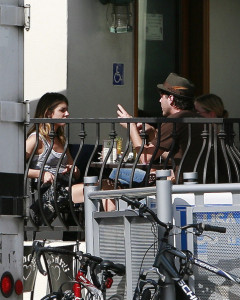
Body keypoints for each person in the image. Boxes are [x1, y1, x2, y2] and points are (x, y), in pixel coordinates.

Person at [117, 72, 206, 184]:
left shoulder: (175, 120)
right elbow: (174, 156)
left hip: (186, 186)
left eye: (161, 97)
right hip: (205, 182)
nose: (159, 101)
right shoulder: (196, 118)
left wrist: (131, 126)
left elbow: (144, 158)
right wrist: (153, 132)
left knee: (113, 176)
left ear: (171, 99)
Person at [26, 92, 84, 225]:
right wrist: (41, 174)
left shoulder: (60, 139)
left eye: (67, 110)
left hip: (66, 186)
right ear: (48, 113)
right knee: (96, 191)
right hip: (51, 191)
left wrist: (74, 170)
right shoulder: (36, 139)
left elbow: (75, 170)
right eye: (62, 110)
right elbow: (15, 169)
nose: (67, 114)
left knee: (104, 187)